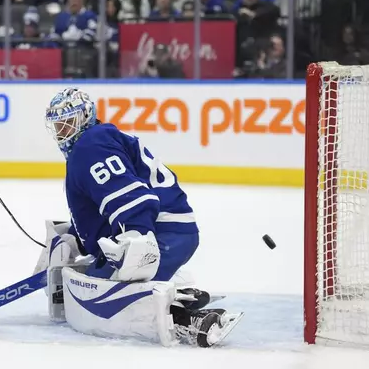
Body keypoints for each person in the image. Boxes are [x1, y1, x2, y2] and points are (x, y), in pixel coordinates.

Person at [35, 87, 243, 347]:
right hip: (170, 231)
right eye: (58, 127)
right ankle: (175, 288)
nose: (62, 133)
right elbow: (105, 204)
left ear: (85, 117)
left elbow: (131, 197)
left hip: (159, 232)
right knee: (91, 277)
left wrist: (137, 236)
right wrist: (77, 237)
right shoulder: (93, 144)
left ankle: (185, 317)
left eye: (68, 124)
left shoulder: (90, 145)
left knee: (95, 291)